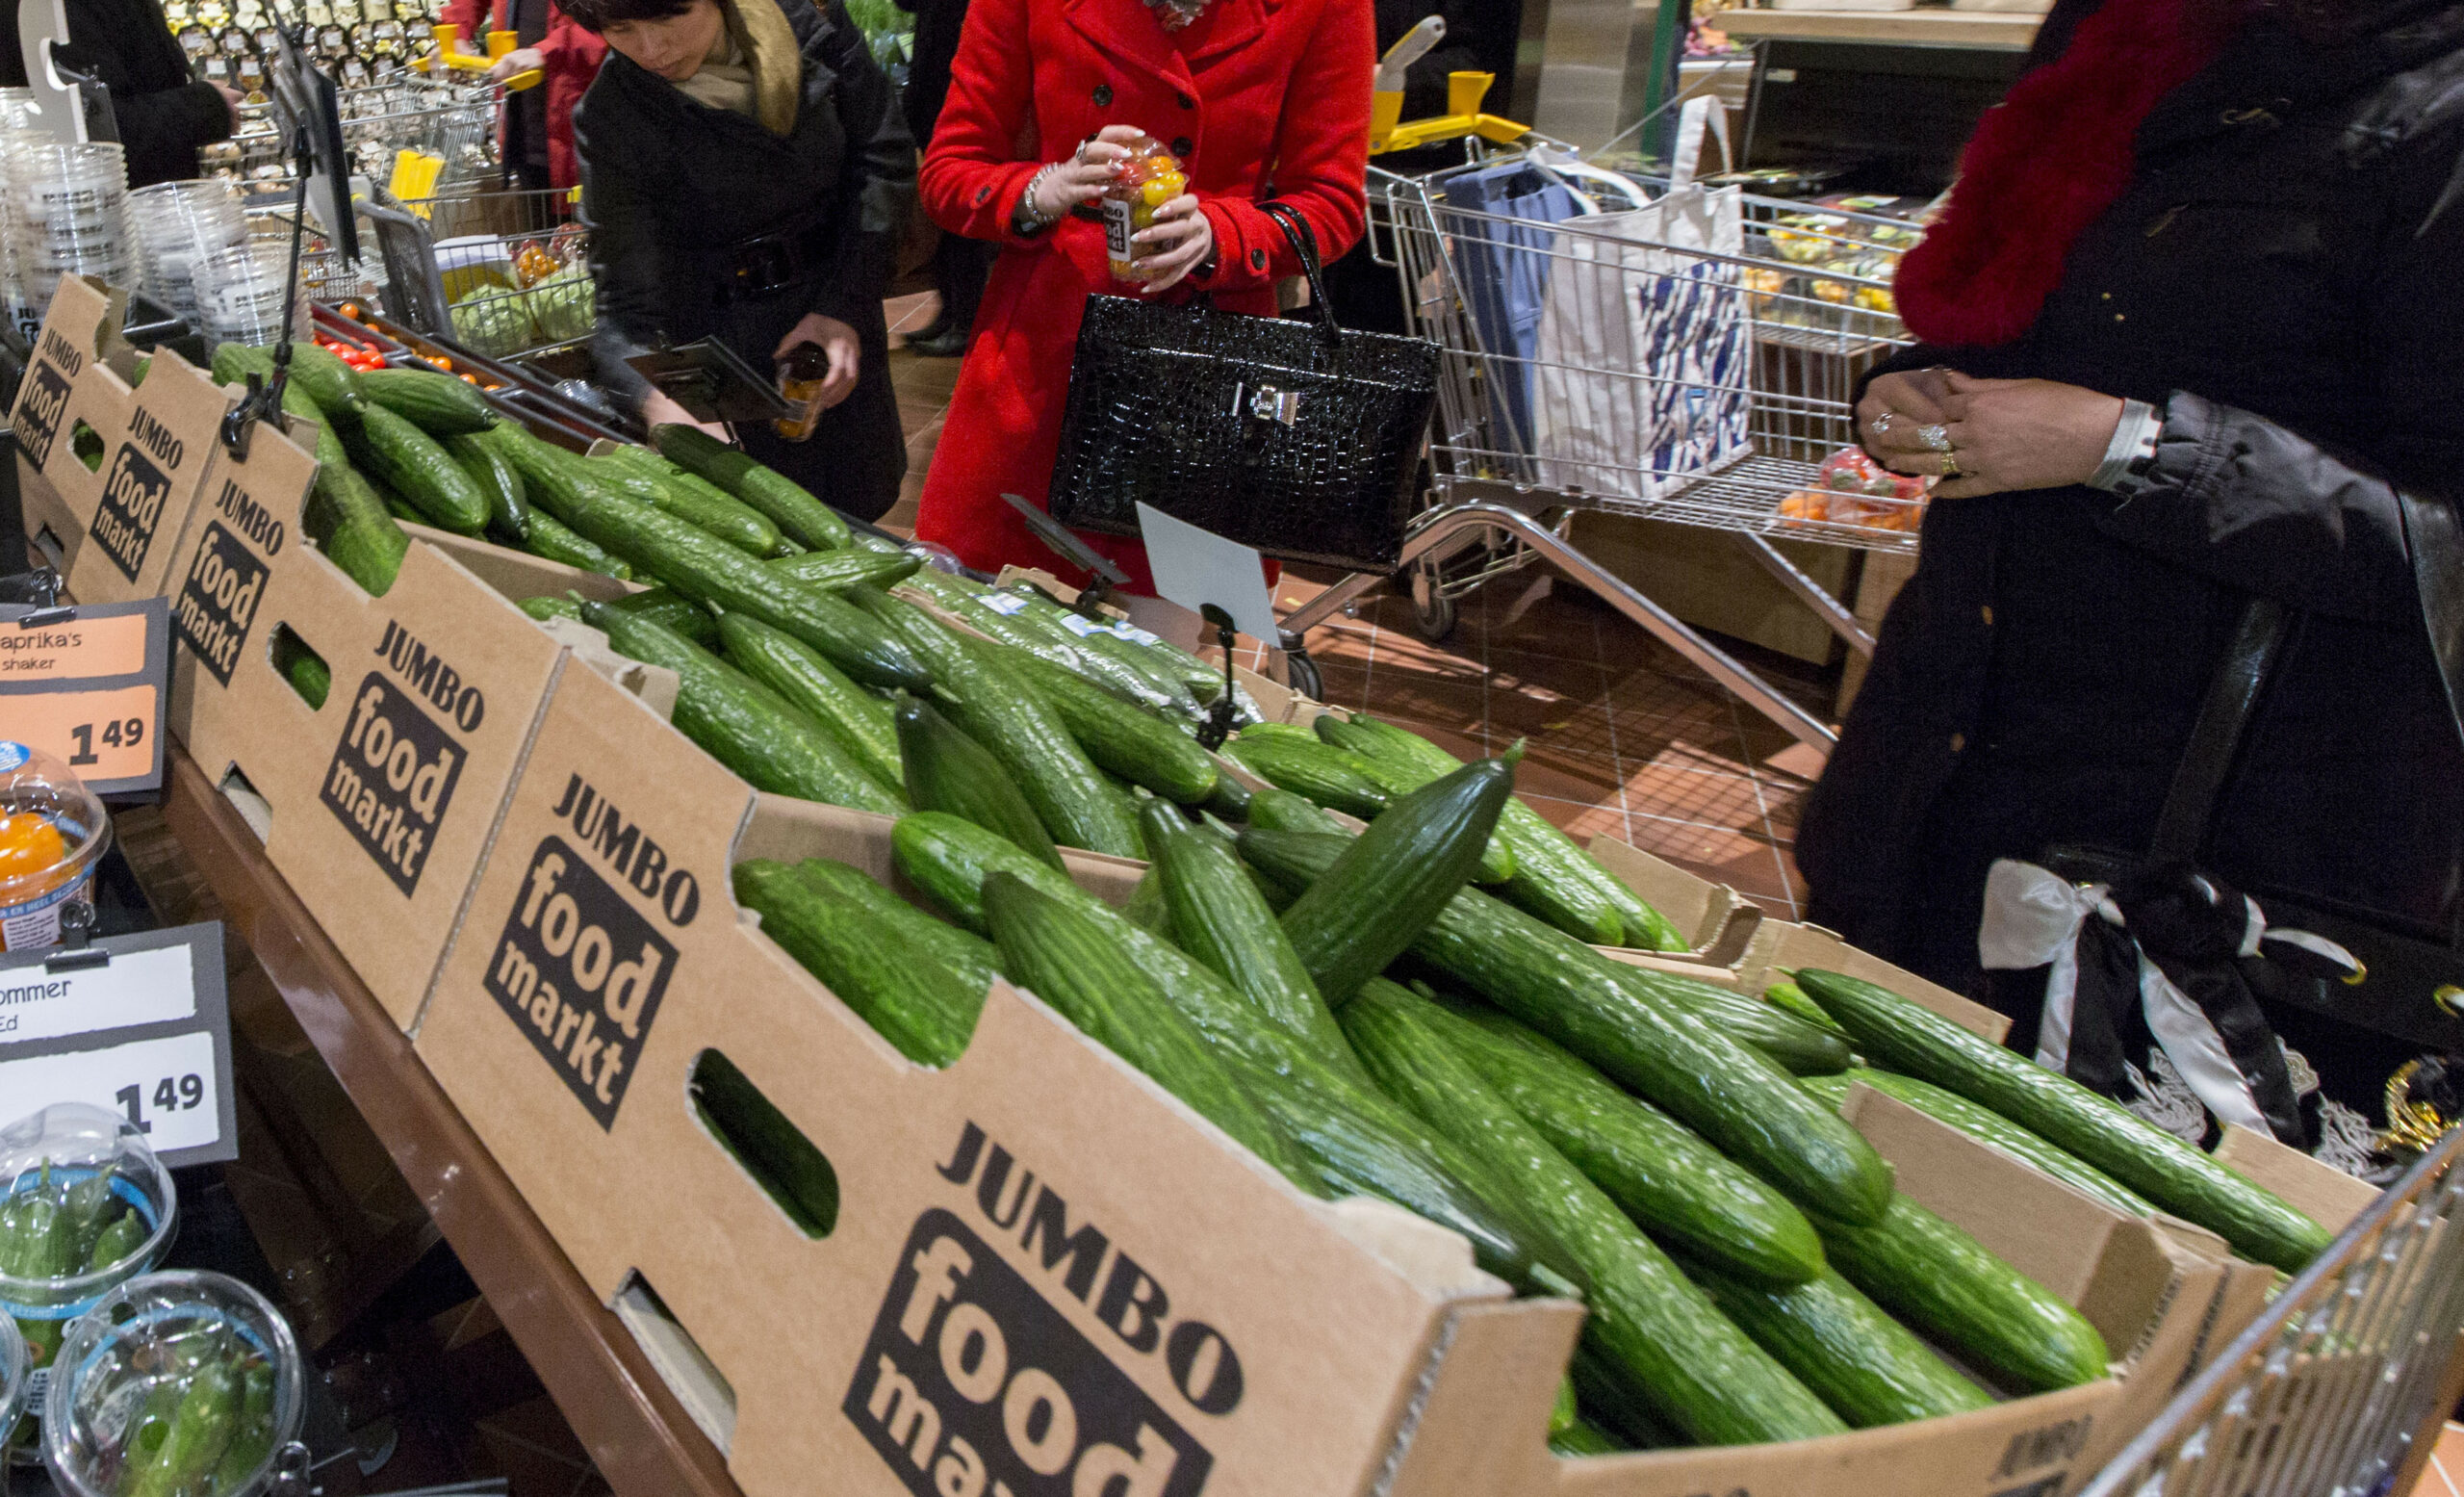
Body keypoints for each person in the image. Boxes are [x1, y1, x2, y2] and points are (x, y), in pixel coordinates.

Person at [1797, 0, 2464, 1087]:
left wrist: (2135, 446)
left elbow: (2442, 541)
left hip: (2207, 862)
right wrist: (1906, 387)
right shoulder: (2123, 33)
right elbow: (2047, 319)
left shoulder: (2436, 115)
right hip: (1939, 776)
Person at [909, 0, 1375, 590]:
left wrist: (1220, 235)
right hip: (1044, 358)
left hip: (1207, 371)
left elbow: (1332, 202)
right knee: (984, 631)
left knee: (1167, 659)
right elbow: (950, 170)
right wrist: (1042, 188)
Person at [564, 0, 913, 521]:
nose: (652, 49)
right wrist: (656, 404)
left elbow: (883, 159)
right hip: (723, 352)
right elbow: (625, 303)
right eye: (621, 29)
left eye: (668, 16)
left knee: (864, 495)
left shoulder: (808, 25)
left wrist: (843, 305)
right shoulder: (613, 114)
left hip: (834, 298)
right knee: (766, 528)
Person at [0, 0, 239, 188]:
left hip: (140, 203)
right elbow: (96, 130)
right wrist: (208, 106)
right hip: (117, 213)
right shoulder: (63, 9)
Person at [890, 0, 990, 355]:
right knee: (943, 214)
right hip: (931, 95)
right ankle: (949, 312)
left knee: (961, 217)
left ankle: (967, 321)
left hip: (956, 93)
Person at [439, 0, 607, 192]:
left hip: (583, 125)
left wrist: (546, 51)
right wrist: (455, 32)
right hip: (522, 125)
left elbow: (612, 19)